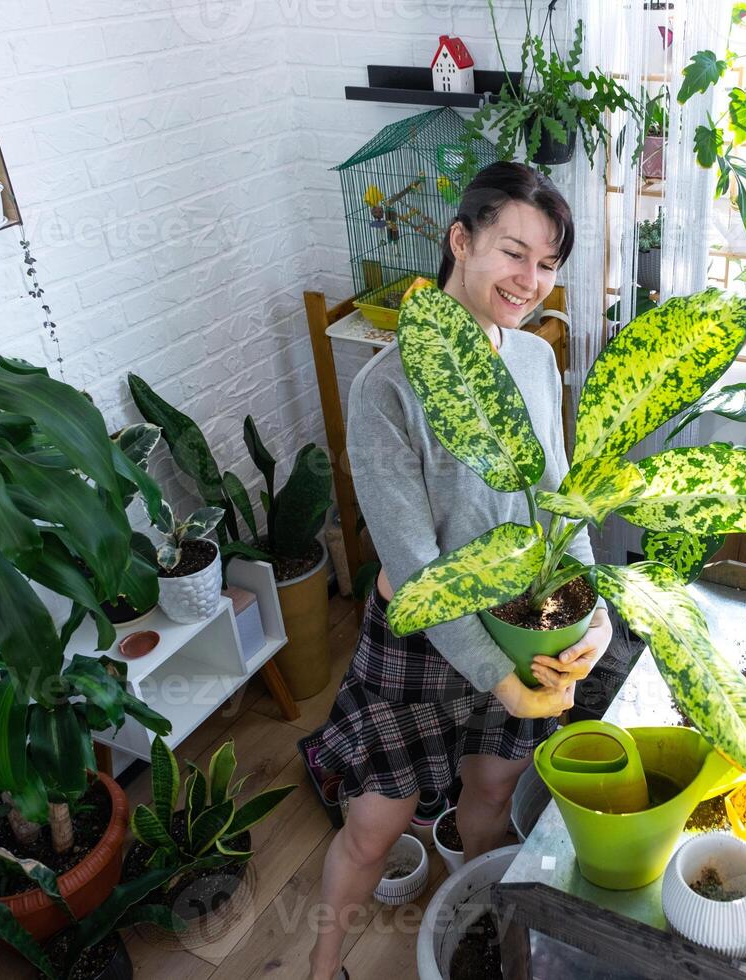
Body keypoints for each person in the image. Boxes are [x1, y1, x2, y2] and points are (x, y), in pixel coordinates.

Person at [305, 162, 612, 980]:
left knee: (489, 803)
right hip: (419, 641)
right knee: (374, 827)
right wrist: (497, 678)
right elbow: (415, 572)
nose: (530, 281)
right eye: (514, 253)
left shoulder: (537, 363)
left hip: (522, 627)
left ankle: (489, 940)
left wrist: (596, 611)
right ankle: (322, 963)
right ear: (460, 240)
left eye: (547, 265)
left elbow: (559, 505)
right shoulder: (384, 389)